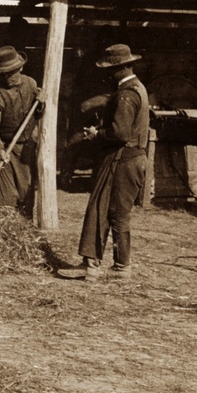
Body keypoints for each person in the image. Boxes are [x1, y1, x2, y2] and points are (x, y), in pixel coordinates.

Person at [68, 42, 150, 277]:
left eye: (110, 69)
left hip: (122, 160)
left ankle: (104, 266)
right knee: (115, 212)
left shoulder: (125, 95)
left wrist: (96, 134)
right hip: (132, 159)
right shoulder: (139, 88)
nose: (107, 74)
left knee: (105, 210)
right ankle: (114, 266)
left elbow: (120, 134)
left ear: (122, 68)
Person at [0, 44, 40, 215]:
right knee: (6, 201)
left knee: (27, 197)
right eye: (4, 73)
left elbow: (37, 114)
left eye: (12, 71)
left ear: (21, 67)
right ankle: (4, 237)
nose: (8, 76)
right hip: (6, 150)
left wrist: (41, 104)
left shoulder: (31, 84)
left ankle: (27, 237)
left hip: (27, 149)